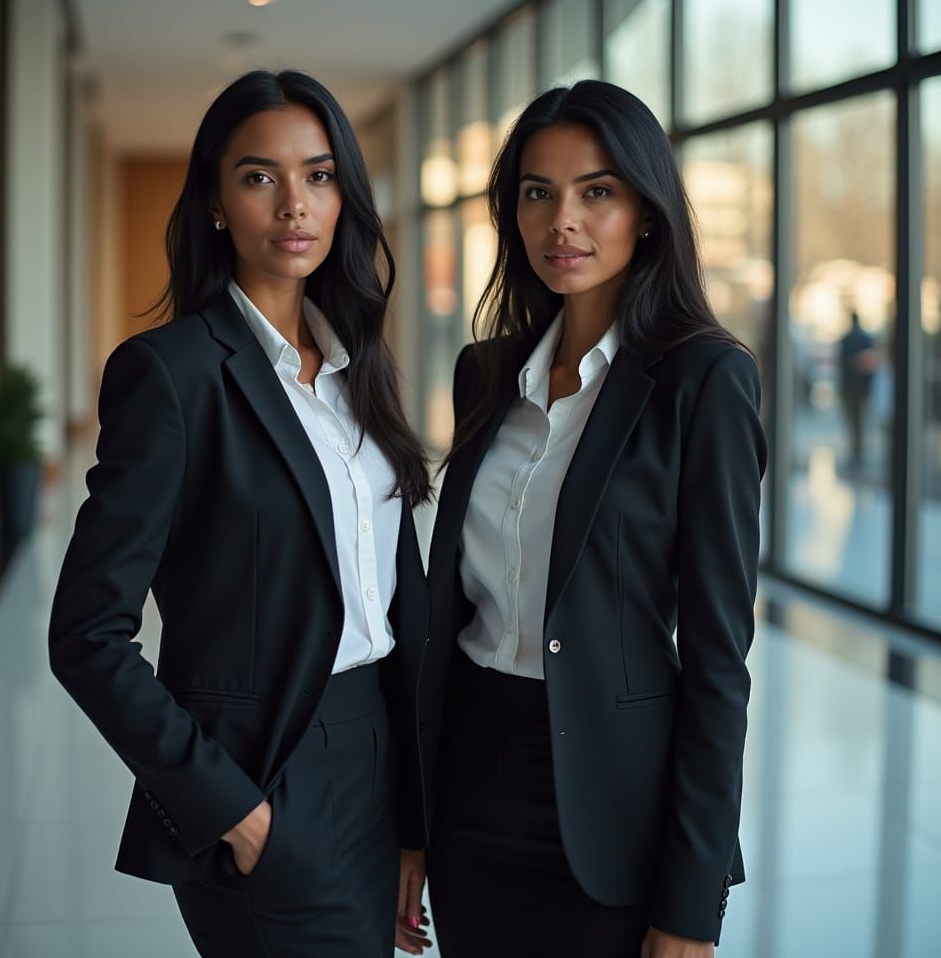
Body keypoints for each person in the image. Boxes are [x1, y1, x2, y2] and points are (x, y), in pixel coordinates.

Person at [49, 69, 434, 958]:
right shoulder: (172, 374)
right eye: (260, 177)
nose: (294, 204)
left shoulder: (356, 368)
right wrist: (237, 812)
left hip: (377, 755)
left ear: (345, 199)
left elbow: (395, 599)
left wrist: (415, 806)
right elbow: (86, 634)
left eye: (320, 176)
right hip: (267, 770)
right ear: (218, 202)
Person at [423, 80, 767, 958]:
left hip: (613, 812)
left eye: (596, 192)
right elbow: (447, 615)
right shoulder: (485, 375)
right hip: (470, 789)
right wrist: (410, 824)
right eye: (538, 193)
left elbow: (720, 661)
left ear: (646, 212)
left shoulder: (704, 381)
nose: (561, 221)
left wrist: (692, 905)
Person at [838, 310, 878, 473]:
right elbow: (871, 366)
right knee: (860, 422)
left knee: (853, 423)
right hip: (862, 389)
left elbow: (841, 367)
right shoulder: (866, 339)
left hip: (850, 389)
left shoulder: (846, 340)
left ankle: (856, 453)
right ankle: (859, 453)